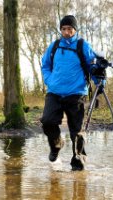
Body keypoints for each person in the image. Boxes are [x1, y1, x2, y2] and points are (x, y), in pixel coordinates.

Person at [40, 15, 101, 170]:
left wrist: (100, 82)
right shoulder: (54, 46)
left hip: (76, 93)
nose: (66, 32)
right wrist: (49, 80)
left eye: (70, 29)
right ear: (61, 30)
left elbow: (93, 66)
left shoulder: (83, 46)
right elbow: (45, 65)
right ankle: (57, 145)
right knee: (47, 121)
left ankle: (78, 164)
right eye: (64, 29)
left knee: (77, 131)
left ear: (75, 30)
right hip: (54, 92)